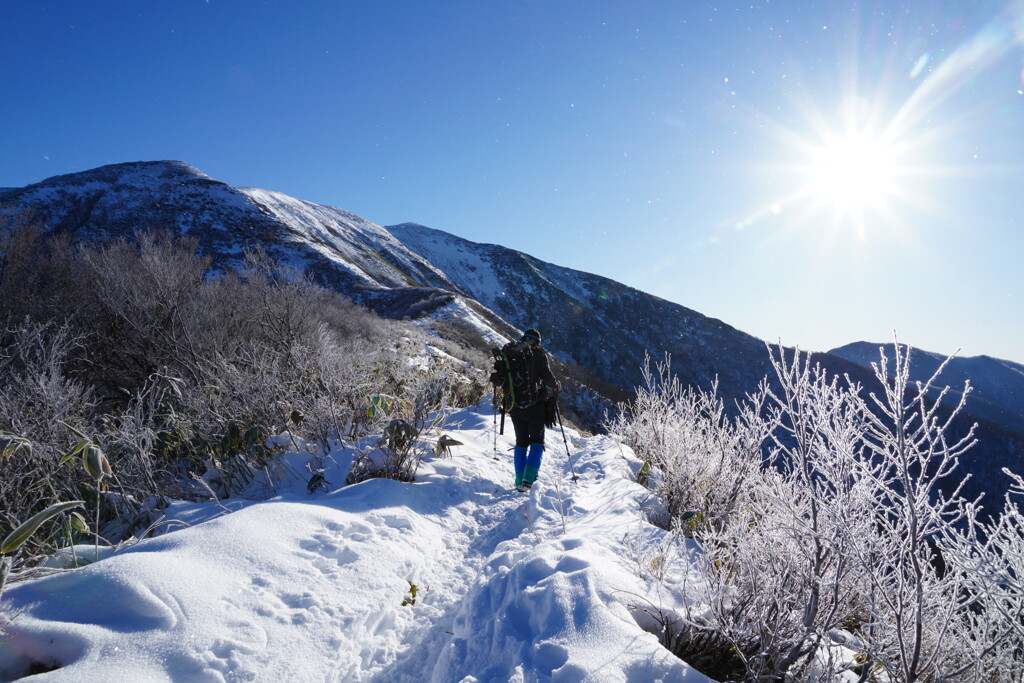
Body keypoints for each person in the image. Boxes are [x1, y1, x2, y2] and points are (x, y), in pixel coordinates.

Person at [509, 328, 559, 492]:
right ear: (537, 342)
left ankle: (518, 480)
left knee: (521, 443)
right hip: (534, 406)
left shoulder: (512, 353)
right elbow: (547, 377)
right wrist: (555, 385)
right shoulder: (538, 354)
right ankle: (528, 480)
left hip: (515, 406)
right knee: (537, 443)